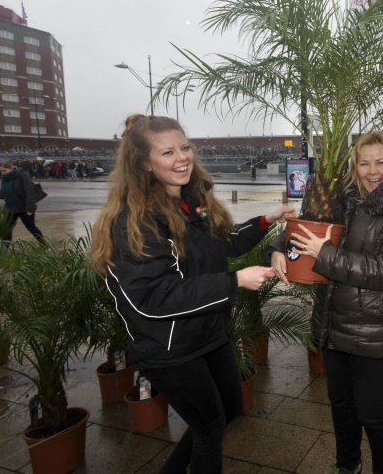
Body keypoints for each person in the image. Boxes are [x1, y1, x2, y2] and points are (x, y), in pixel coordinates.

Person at [90, 114, 294, 473]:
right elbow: (153, 298)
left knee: (228, 409)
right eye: (167, 152)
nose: (182, 157)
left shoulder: (191, 199)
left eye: (184, 147)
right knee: (209, 425)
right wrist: (234, 281)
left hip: (208, 333)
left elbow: (224, 243)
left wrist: (266, 220)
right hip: (169, 347)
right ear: (143, 163)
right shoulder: (133, 220)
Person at [271, 132, 383, 474]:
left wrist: (324, 254)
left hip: (377, 330)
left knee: (373, 412)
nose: (373, 171)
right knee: (341, 405)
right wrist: (280, 248)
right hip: (333, 321)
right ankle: (348, 466)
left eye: (380, 162)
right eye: (364, 162)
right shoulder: (346, 197)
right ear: (355, 165)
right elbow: (310, 223)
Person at [0, 161, 44, 242]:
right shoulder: (4, 179)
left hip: (24, 208)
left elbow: (30, 193)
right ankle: (4, 250)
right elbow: (8, 193)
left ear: (11, 169)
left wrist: (30, 208)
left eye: (4, 170)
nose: (2, 173)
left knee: (31, 227)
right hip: (10, 209)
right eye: (0, 171)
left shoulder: (23, 177)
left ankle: (43, 243)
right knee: (6, 229)